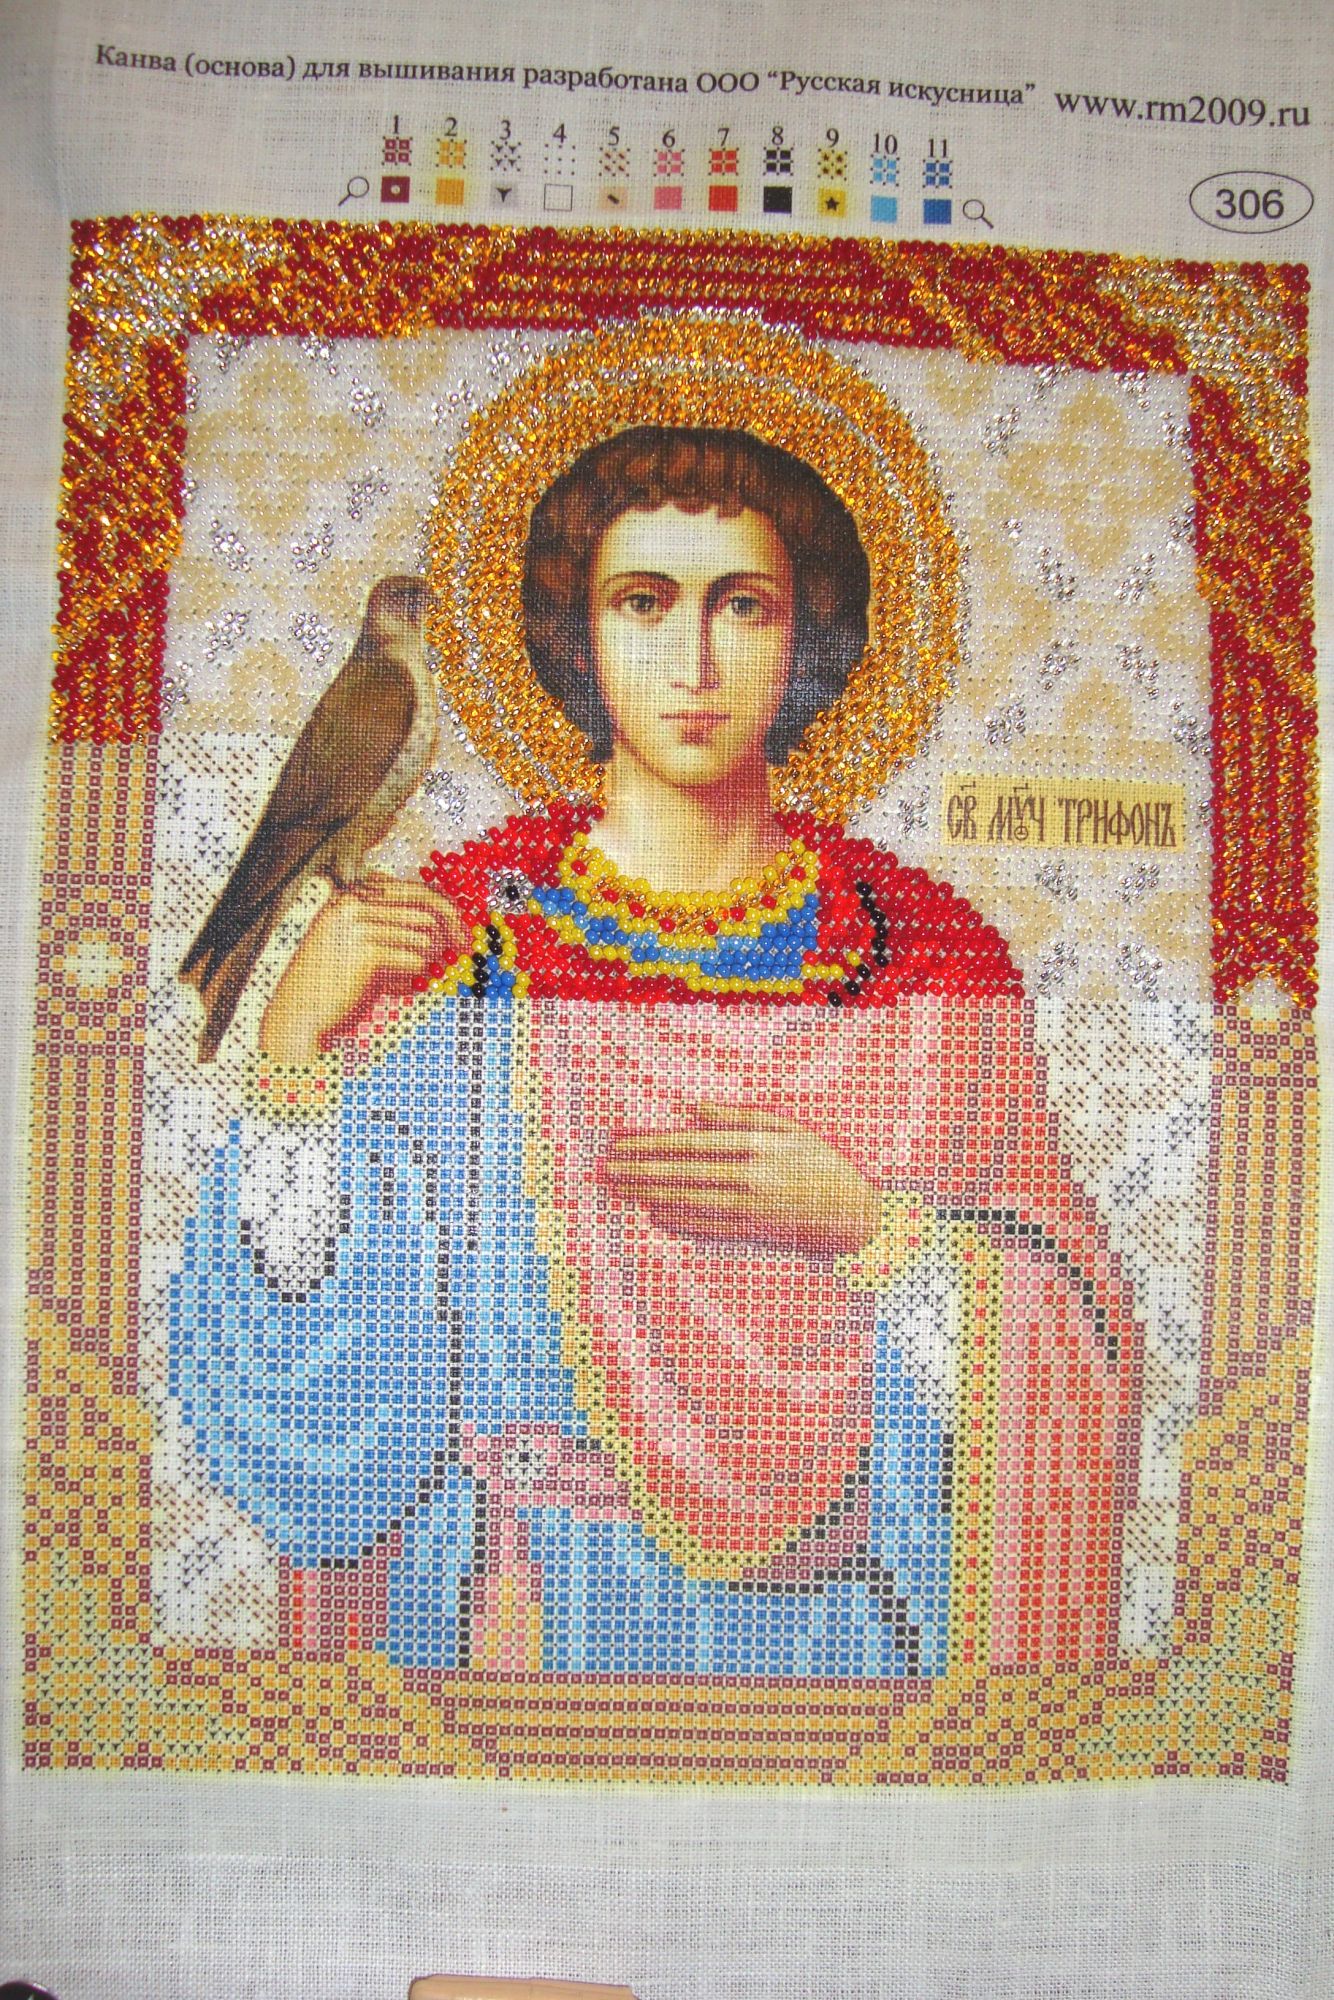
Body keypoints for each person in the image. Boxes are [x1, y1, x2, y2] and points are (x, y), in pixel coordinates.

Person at [169, 428, 1139, 1679]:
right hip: (509, 1638)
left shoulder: (922, 963)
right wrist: (295, 1050)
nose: (693, 662)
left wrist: (874, 1231)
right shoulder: (452, 948)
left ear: (809, 636)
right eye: (642, 602)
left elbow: (1077, 1350)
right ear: (576, 638)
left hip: (822, 1658)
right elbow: (310, 1404)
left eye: (742, 605)